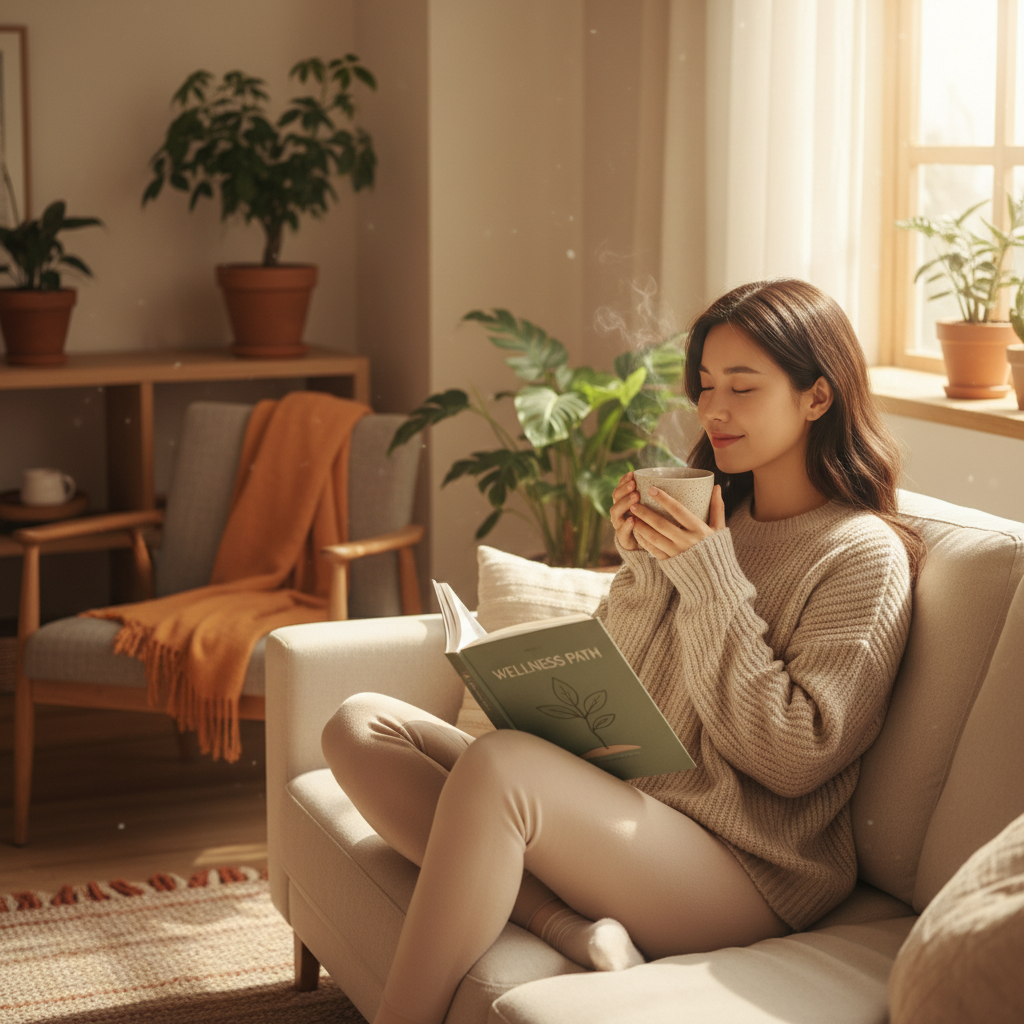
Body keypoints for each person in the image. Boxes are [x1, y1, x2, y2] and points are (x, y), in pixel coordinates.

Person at [322, 278, 922, 1024]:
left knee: (500, 767)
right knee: (359, 722)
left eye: (742, 386)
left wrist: (709, 580)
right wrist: (641, 567)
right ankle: (570, 925)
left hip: (749, 872)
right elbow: (625, 682)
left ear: (817, 398)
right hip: (641, 816)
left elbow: (792, 759)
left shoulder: (862, 553)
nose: (712, 410)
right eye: (705, 386)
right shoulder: (711, 515)